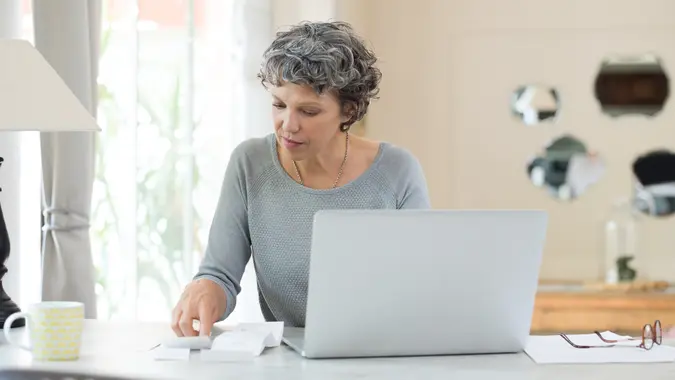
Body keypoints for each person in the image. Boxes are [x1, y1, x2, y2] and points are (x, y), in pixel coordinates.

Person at [171, 20, 431, 337]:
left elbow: (420, 285)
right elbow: (220, 275)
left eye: (308, 112)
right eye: (279, 105)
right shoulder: (250, 164)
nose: (288, 125)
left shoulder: (397, 171)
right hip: (289, 362)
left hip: (382, 354)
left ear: (348, 112)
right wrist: (206, 289)